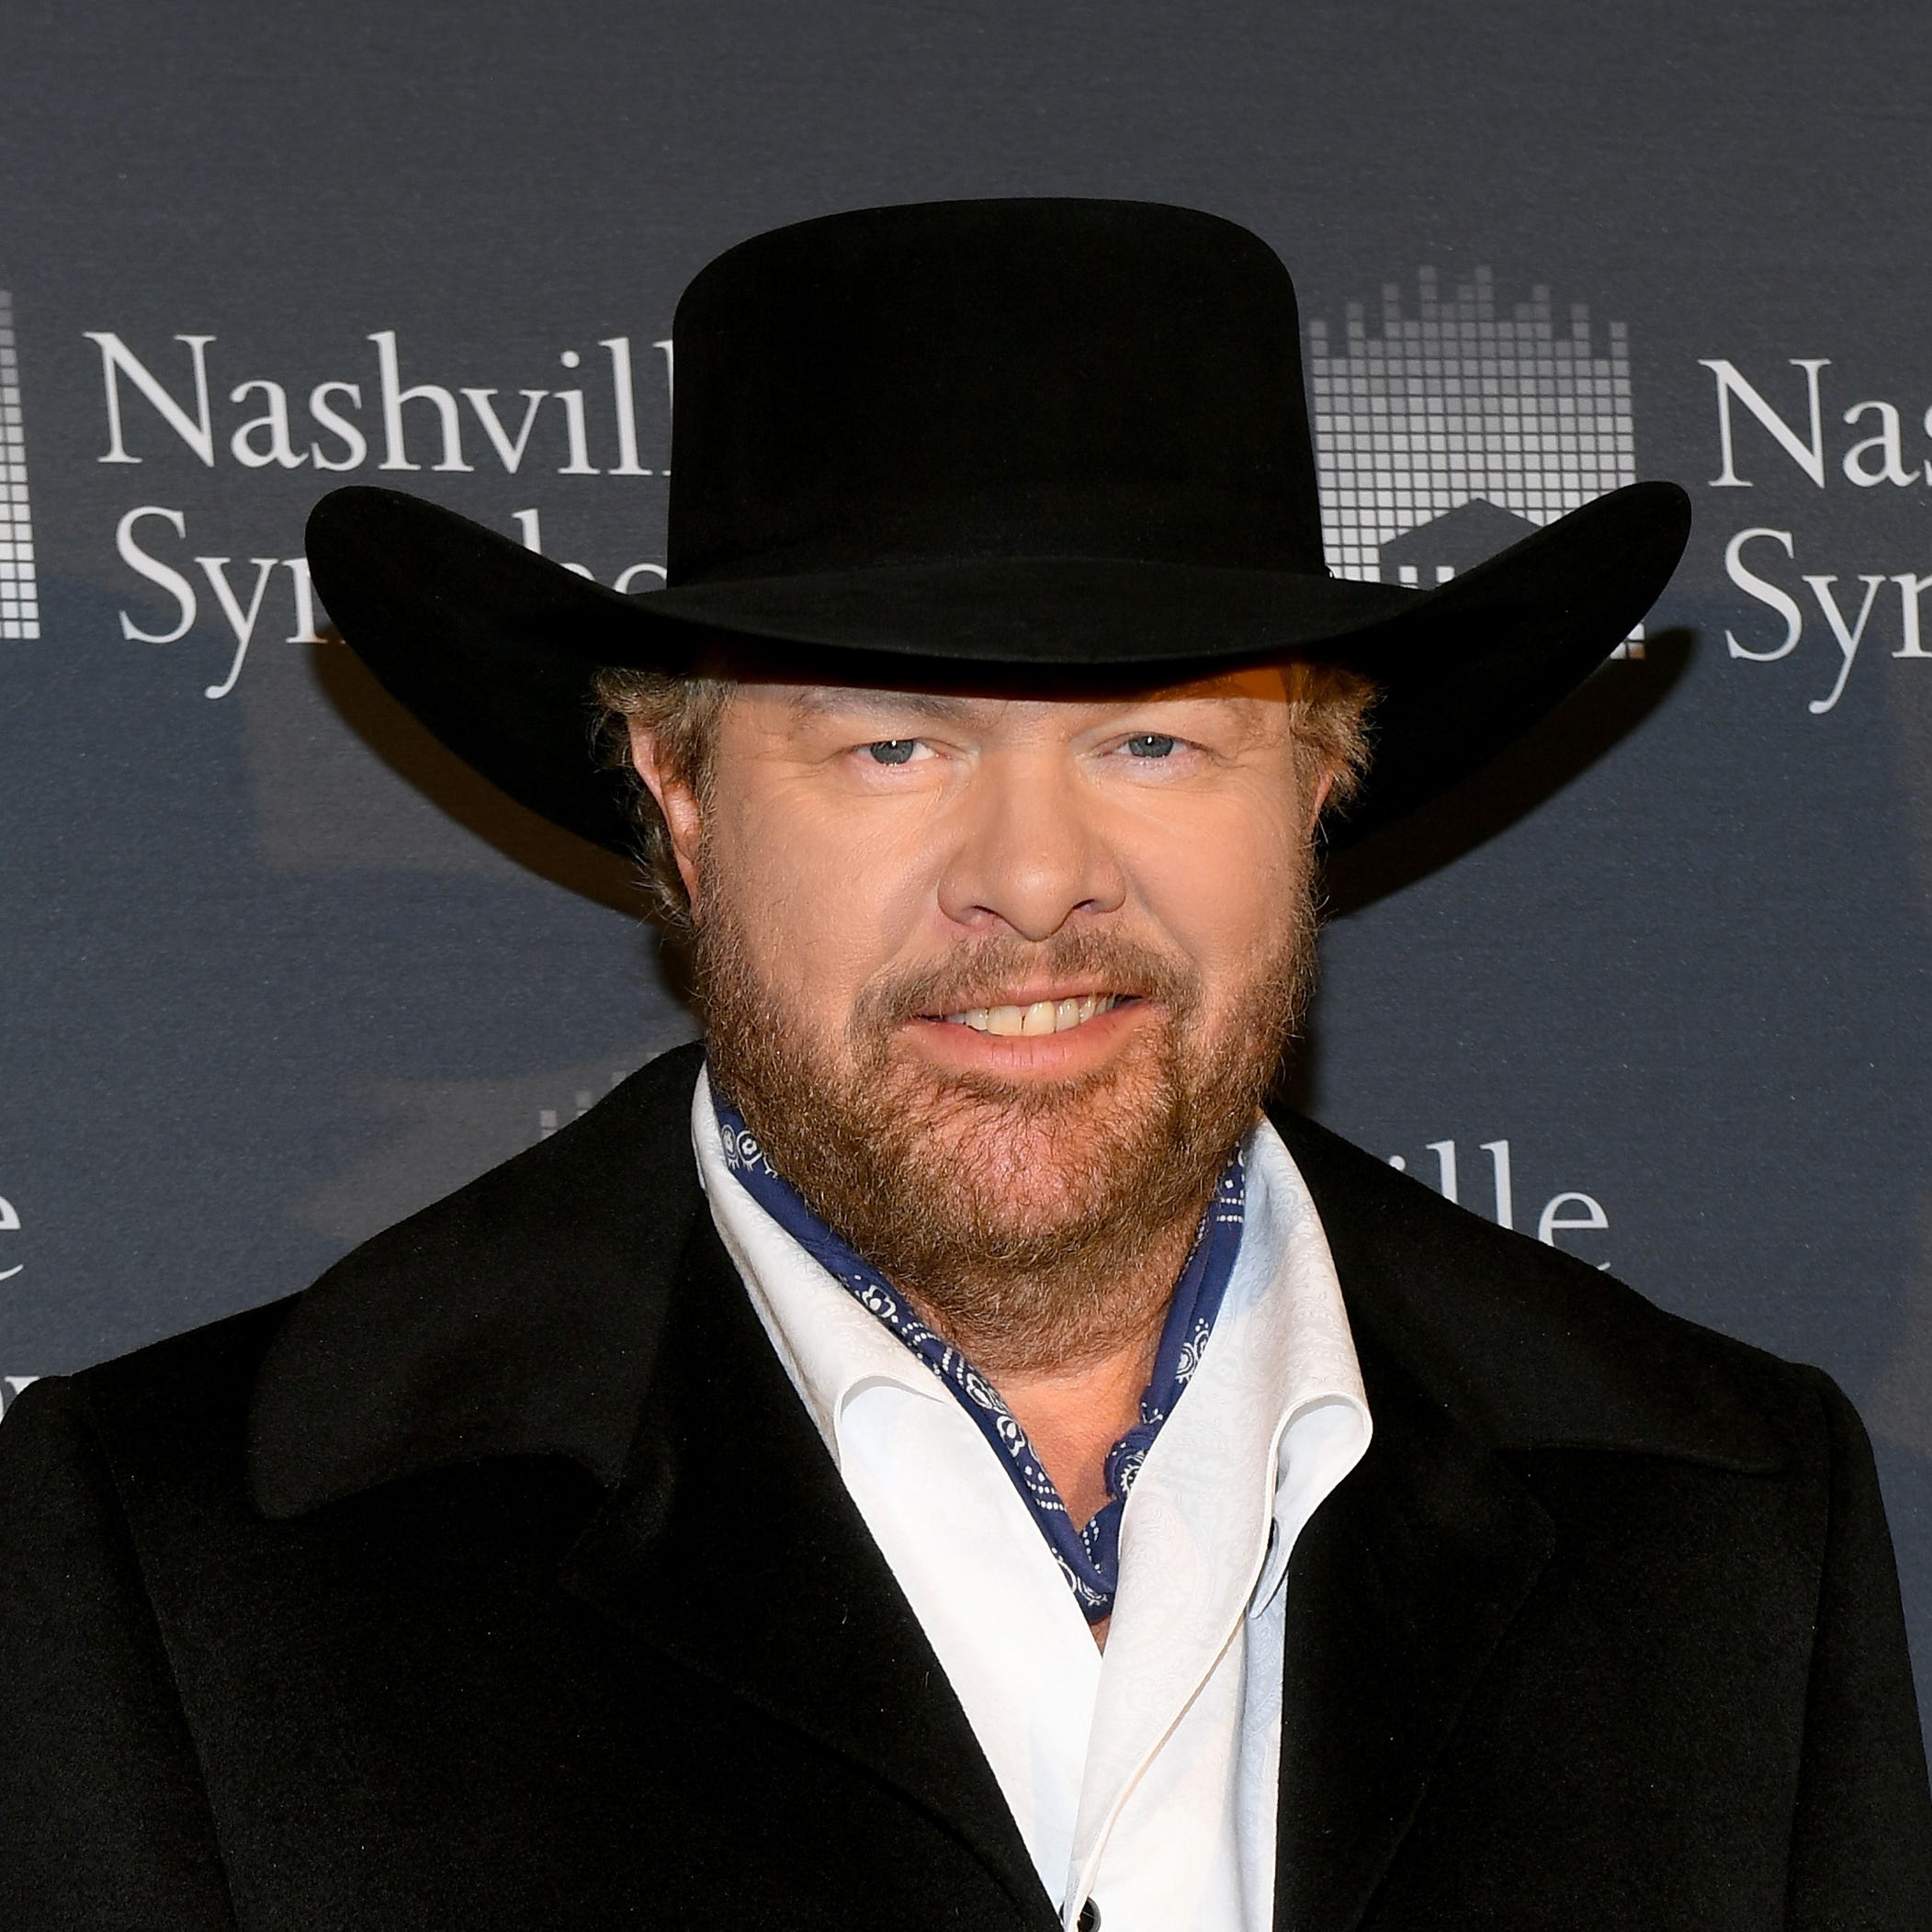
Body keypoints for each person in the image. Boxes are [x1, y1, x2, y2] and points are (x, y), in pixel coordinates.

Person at [2, 198, 1927, 1932]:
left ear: (1322, 782)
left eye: (1156, 741)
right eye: (891, 748)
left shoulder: (1721, 1522)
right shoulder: (197, 1559)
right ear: (677, 798)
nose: (1030, 881)